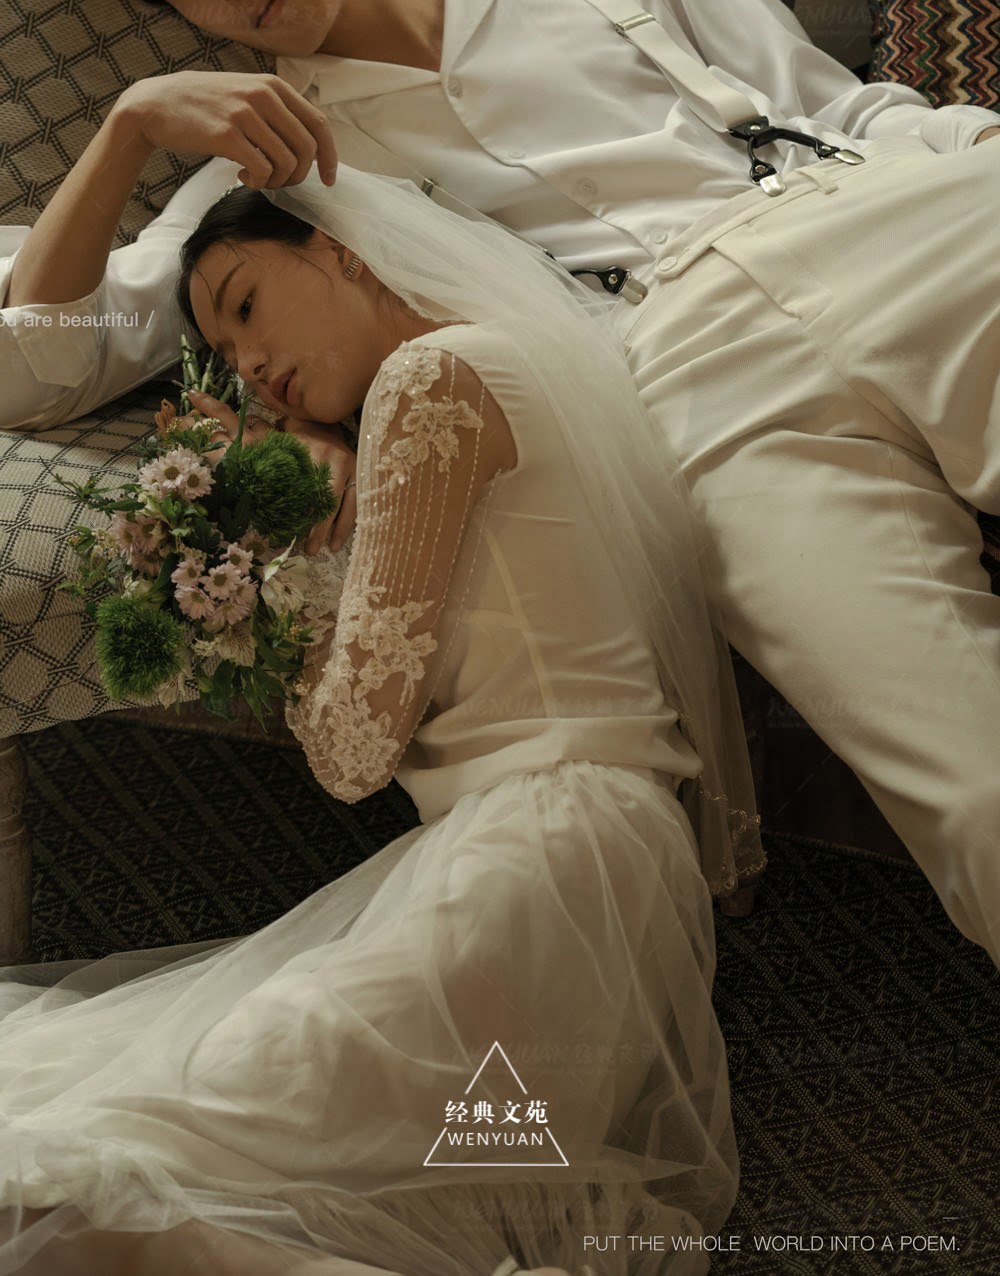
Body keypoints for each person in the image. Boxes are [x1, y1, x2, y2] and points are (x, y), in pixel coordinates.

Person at [3, 0, 1000, 963]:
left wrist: (974, 156)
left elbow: (842, 108)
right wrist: (127, 126)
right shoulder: (267, 175)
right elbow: (41, 367)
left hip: (869, 225)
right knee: (960, 777)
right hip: (694, 389)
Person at [0, 160, 765, 1276]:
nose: (249, 363)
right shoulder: (495, 362)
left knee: (95, 1176)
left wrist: (281, 549)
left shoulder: (429, 381)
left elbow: (351, 754)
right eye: (226, 350)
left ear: (340, 250)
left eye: (247, 304)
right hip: (593, 876)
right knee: (129, 1146)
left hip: (537, 868)